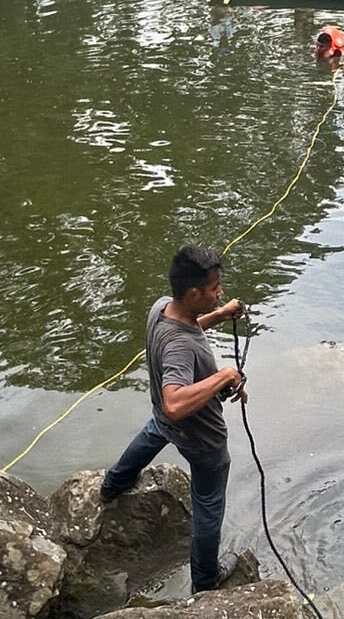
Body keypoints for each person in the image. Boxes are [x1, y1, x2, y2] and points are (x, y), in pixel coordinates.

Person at [99, 245, 247, 593]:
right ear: (194, 293)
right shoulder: (180, 346)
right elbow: (175, 404)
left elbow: (190, 326)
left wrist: (221, 314)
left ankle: (112, 486)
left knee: (154, 431)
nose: (220, 291)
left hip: (168, 426)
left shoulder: (162, 308)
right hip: (202, 440)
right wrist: (224, 377)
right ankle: (205, 582)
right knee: (208, 508)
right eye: (215, 288)